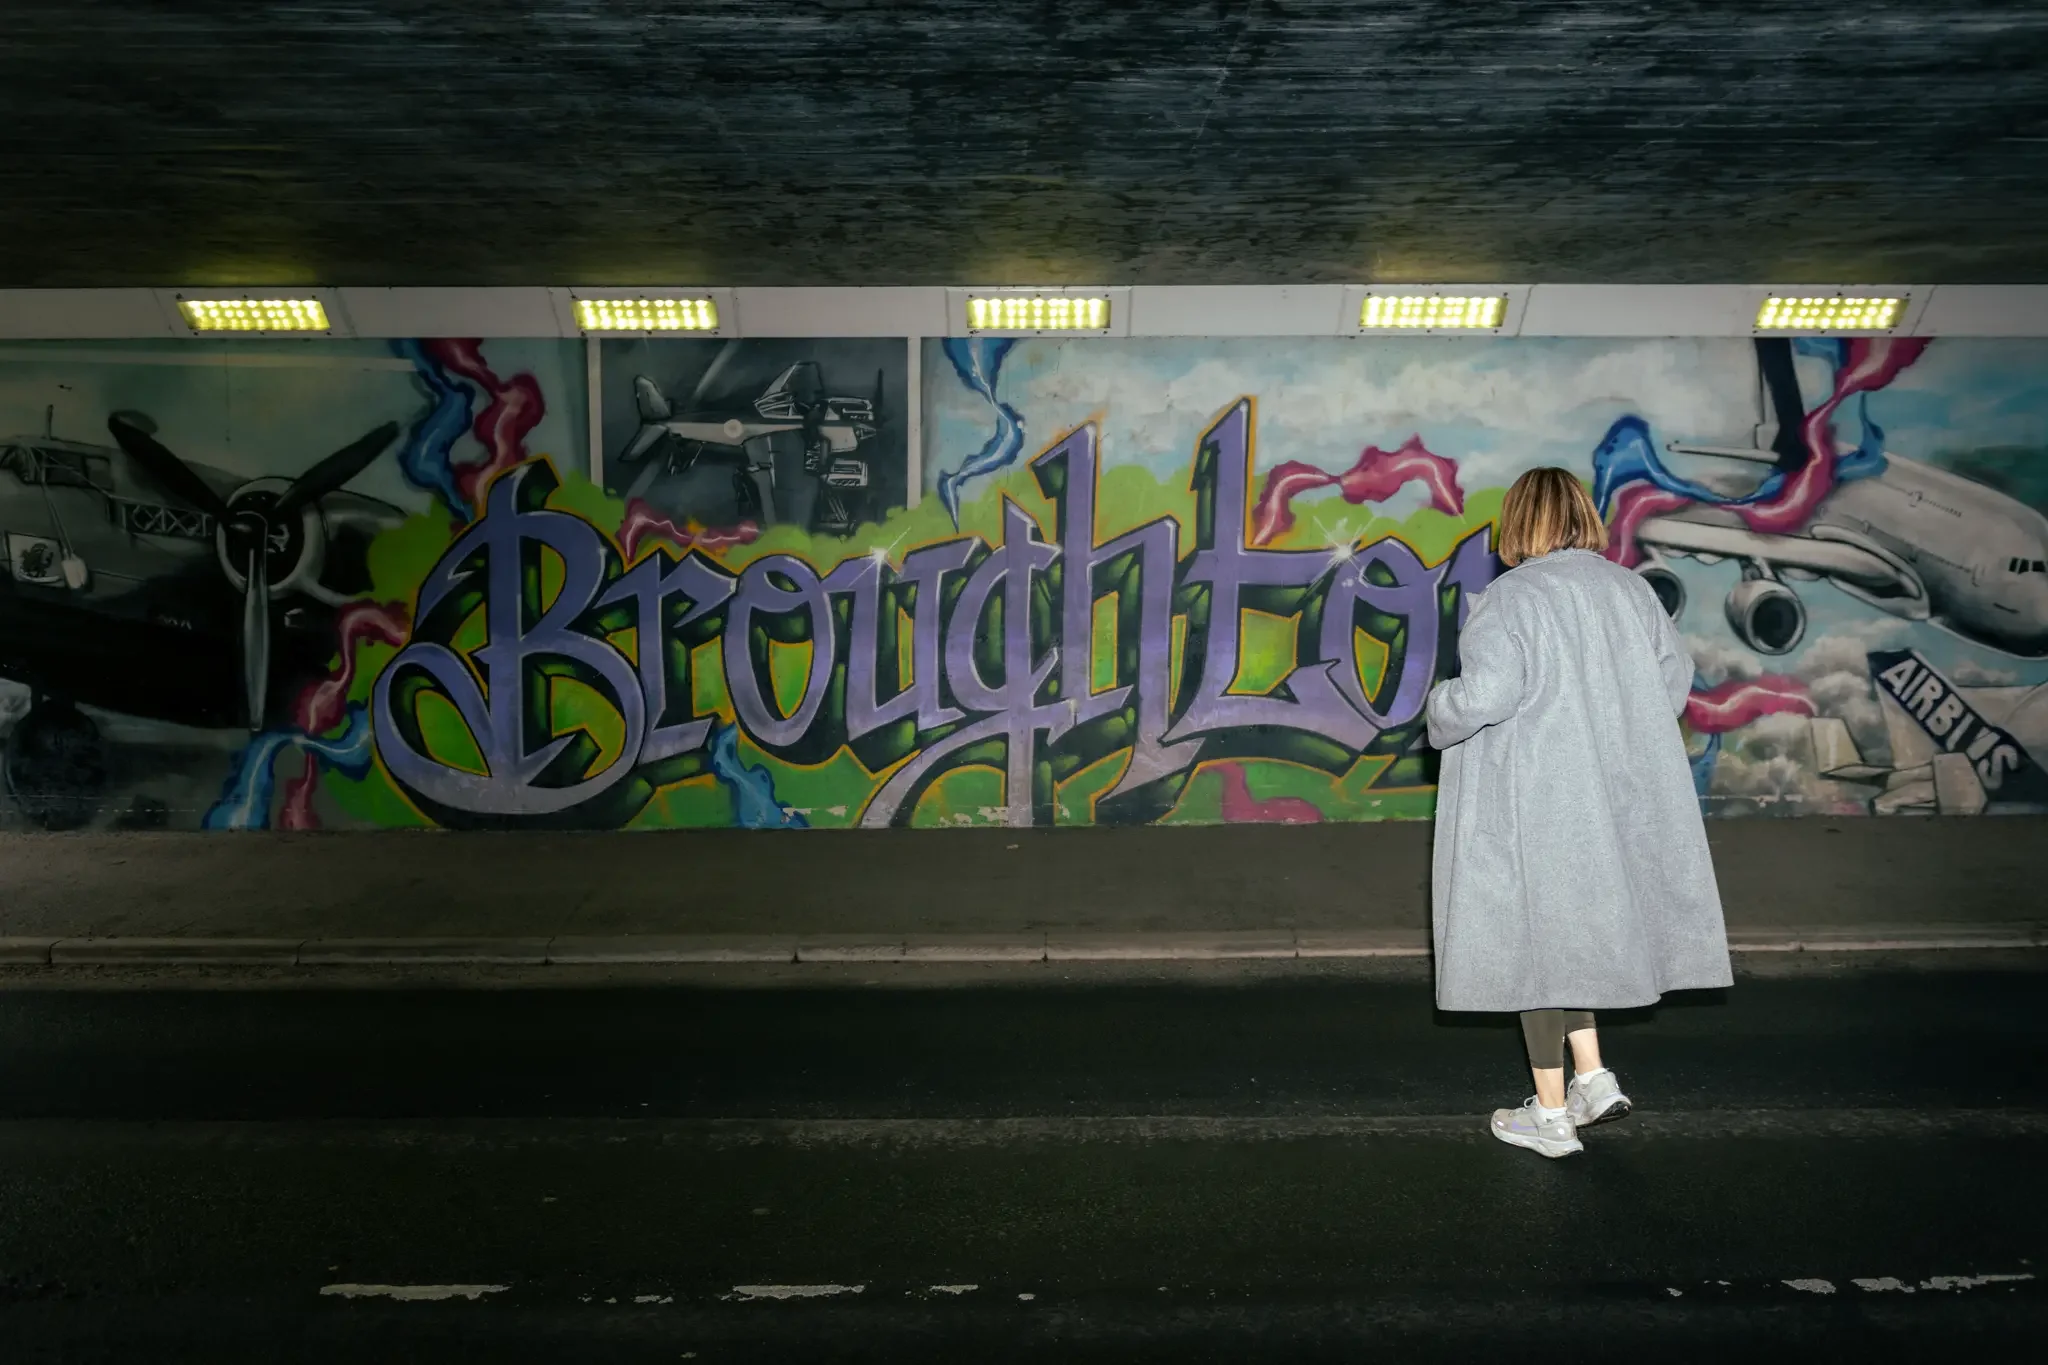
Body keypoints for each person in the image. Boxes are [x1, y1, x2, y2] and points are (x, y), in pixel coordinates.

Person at [1424, 467, 1731, 1159]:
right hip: (1608, 797)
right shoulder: (1632, 591)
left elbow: (1487, 696)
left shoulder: (1511, 598)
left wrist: (1437, 707)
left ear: (1518, 520)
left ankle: (1552, 1116)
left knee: (1536, 947)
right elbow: (1672, 685)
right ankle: (1593, 1076)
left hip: (1534, 798)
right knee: (1575, 935)